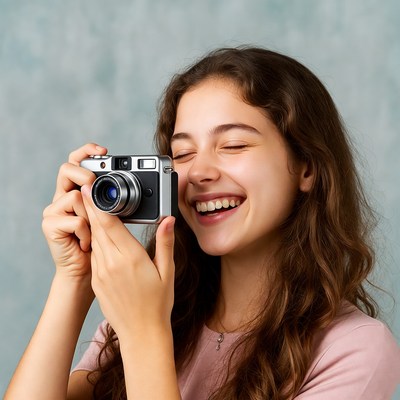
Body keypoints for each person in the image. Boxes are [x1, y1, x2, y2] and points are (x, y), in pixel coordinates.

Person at [5, 46, 400, 400]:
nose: (198, 173)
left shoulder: (354, 349)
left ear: (306, 166)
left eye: (233, 145)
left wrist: (145, 334)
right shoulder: (151, 311)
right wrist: (73, 280)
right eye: (182, 153)